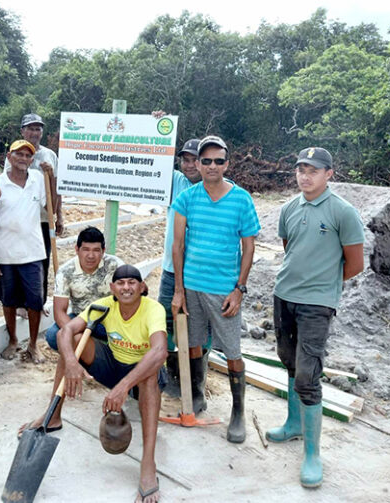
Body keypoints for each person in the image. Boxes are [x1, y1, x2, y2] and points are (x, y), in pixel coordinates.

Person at [19, 265, 167, 503]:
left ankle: (148, 463)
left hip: (142, 376)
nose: (126, 288)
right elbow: (64, 331)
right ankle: (53, 415)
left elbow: (160, 351)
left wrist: (123, 387)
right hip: (114, 366)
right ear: (112, 288)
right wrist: (71, 362)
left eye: (132, 282)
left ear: (142, 287)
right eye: (121, 283)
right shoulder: (105, 305)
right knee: (73, 345)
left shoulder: (153, 309)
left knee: (150, 374)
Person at [266, 147, 364, 488]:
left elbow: (354, 264)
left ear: (329, 174)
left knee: (308, 375)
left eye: (313, 170)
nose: (305, 176)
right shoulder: (289, 208)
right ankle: (294, 424)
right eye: (301, 170)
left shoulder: (343, 212)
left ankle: (312, 454)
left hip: (317, 305)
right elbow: (289, 247)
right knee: (289, 362)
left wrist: (324, 287)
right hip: (284, 296)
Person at [171, 135, 260, 443]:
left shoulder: (241, 199)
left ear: (227, 163)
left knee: (233, 351)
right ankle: (197, 395)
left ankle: (238, 411)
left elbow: (248, 248)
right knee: (194, 343)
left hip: (224, 290)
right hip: (192, 287)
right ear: (197, 163)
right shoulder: (188, 198)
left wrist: (239, 289)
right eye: (205, 161)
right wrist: (179, 290)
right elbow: (178, 245)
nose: (211, 166)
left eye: (218, 161)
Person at [156, 137, 212, 398]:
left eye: (194, 160)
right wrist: (160, 127)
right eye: (185, 160)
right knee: (165, 321)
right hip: (170, 270)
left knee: (200, 328)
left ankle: (197, 385)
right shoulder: (176, 182)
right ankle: (172, 377)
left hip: (200, 274)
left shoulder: (214, 189)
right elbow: (155, 159)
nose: (189, 165)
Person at [0, 140, 48, 364]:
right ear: (9, 157)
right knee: (8, 300)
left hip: (33, 253)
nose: (23, 158)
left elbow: (50, 206)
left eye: (27, 155)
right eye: (18, 154)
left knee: (35, 301)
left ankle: (32, 344)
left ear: (32, 160)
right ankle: (12, 340)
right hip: (5, 254)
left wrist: (52, 176)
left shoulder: (39, 180)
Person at [4, 113, 63, 306]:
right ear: (22, 131)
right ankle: (20, 304)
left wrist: (59, 216)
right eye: (30, 128)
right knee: (19, 260)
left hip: (43, 219)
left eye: (38, 129)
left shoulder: (49, 155)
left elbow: (57, 189)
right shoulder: (15, 153)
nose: (34, 132)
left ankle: (38, 301)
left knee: (42, 261)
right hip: (20, 219)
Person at [45, 226, 124, 351]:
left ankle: (99, 351)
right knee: (53, 335)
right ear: (77, 250)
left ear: (103, 251)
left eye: (96, 250)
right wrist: (75, 332)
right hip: (81, 319)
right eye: (86, 249)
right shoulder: (65, 272)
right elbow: (59, 312)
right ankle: (90, 348)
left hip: (111, 320)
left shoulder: (116, 265)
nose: (91, 255)